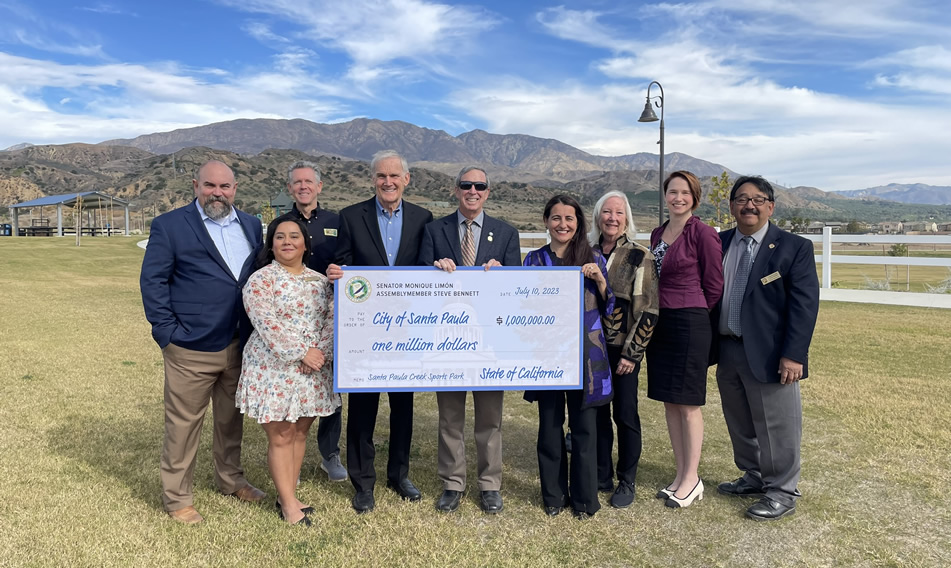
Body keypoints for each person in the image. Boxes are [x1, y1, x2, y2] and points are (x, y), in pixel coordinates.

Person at [140, 160, 266, 524]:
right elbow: (153, 282)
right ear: (196, 185)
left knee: (231, 420)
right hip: (190, 346)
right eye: (210, 185)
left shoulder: (251, 225)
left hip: (239, 342)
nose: (217, 193)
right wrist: (168, 334)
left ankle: (230, 479)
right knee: (183, 425)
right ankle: (177, 498)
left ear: (235, 188)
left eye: (224, 187)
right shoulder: (170, 225)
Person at [326, 150, 434, 513]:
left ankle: (399, 474)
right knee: (363, 408)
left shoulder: (423, 218)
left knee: (403, 406)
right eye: (380, 176)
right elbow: (344, 264)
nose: (387, 182)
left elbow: (426, 269)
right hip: (364, 330)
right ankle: (363, 482)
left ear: (407, 179)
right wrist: (338, 274)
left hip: (406, 329)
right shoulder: (350, 216)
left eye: (394, 176)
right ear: (372, 179)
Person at [714, 175, 819, 521]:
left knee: (778, 426)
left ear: (770, 207)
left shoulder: (793, 248)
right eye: (742, 199)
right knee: (740, 421)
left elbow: (804, 307)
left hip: (772, 355)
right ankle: (753, 476)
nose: (750, 205)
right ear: (732, 207)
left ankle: (782, 491)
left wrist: (794, 355)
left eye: (758, 199)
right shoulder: (719, 243)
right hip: (728, 349)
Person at [417, 166, 521, 514]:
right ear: (456, 190)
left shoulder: (506, 233)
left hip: (487, 337)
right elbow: (418, 281)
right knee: (450, 416)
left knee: (490, 416)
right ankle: (453, 483)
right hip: (448, 338)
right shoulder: (435, 230)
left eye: (479, 186)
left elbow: (515, 290)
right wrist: (434, 267)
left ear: (488, 192)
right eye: (466, 185)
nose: (472, 190)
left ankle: (490, 484)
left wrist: (502, 277)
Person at [237, 217, 339, 526]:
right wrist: (301, 352)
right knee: (281, 434)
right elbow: (266, 323)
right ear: (271, 244)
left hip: (312, 370)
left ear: (306, 243)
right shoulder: (261, 280)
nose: (287, 241)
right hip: (274, 367)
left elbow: (332, 317)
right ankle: (289, 505)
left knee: (299, 432)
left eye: (294, 236)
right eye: (279, 236)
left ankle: (288, 494)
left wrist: (321, 351)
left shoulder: (320, 281)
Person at [523, 195, 614, 520]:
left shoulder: (592, 258)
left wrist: (601, 281)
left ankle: (585, 500)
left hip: (586, 358)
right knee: (549, 427)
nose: (563, 224)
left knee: (585, 430)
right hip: (548, 357)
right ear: (546, 221)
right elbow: (523, 305)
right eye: (556, 218)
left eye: (569, 218)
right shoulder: (533, 260)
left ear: (579, 224)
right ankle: (553, 496)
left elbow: (609, 308)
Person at [647, 170, 723, 509]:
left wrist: (691, 310)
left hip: (690, 322)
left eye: (684, 192)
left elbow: (715, 285)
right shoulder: (658, 233)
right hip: (660, 323)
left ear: (694, 197)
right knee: (670, 401)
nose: (678, 197)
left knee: (689, 404)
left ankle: (692, 479)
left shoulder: (703, 234)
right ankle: (680, 474)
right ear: (665, 196)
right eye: (672, 191)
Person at [274, 160, 346, 483]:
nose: (303, 186)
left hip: (328, 318)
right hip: (292, 321)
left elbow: (348, 260)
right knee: (294, 394)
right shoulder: (281, 223)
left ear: (319, 186)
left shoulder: (337, 221)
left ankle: (330, 454)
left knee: (332, 387)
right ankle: (291, 459)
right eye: (297, 182)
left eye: (309, 181)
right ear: (290, 188)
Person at [588, 191, 659, 508]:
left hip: (621, 350)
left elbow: (648, 309)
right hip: (591, 348)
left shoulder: (638, 255)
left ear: (627, 218)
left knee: (625, 414)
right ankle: (602, 473)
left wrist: (633, 353)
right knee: (598, 413)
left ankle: (626, 478)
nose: (612, 218)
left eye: (618, 212)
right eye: (606, 212)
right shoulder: (586, 252)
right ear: (597, 217)